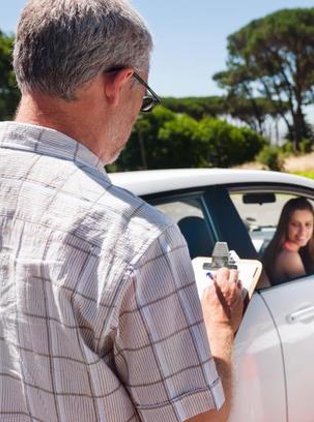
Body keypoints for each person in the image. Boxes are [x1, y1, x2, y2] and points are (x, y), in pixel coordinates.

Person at [0, 1, 243, 421]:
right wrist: (219, 328)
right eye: (143, 97)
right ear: (120, 83)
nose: (137, 114)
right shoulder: (134, 238)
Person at [262, 197, 314, 285]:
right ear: (285, 225)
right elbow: (308, 292)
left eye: (308, 224)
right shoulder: (290, 257)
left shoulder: (277, 248)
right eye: (295, 225)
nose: (303, 231)